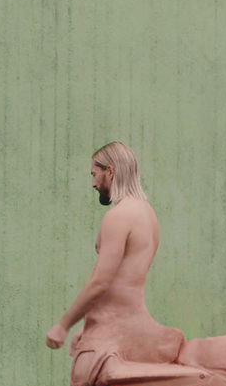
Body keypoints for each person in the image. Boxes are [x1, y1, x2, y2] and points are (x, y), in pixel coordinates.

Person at [45, 142, 182, 365]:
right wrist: (90, 324)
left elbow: (101, 281)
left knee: (87, 375)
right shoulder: (148, 214)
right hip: (131, 323)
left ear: (109, 171)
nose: (93, 184)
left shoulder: (119, 216)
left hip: (117, 332)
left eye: (94, 174)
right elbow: (124, 281)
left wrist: (63, 325)